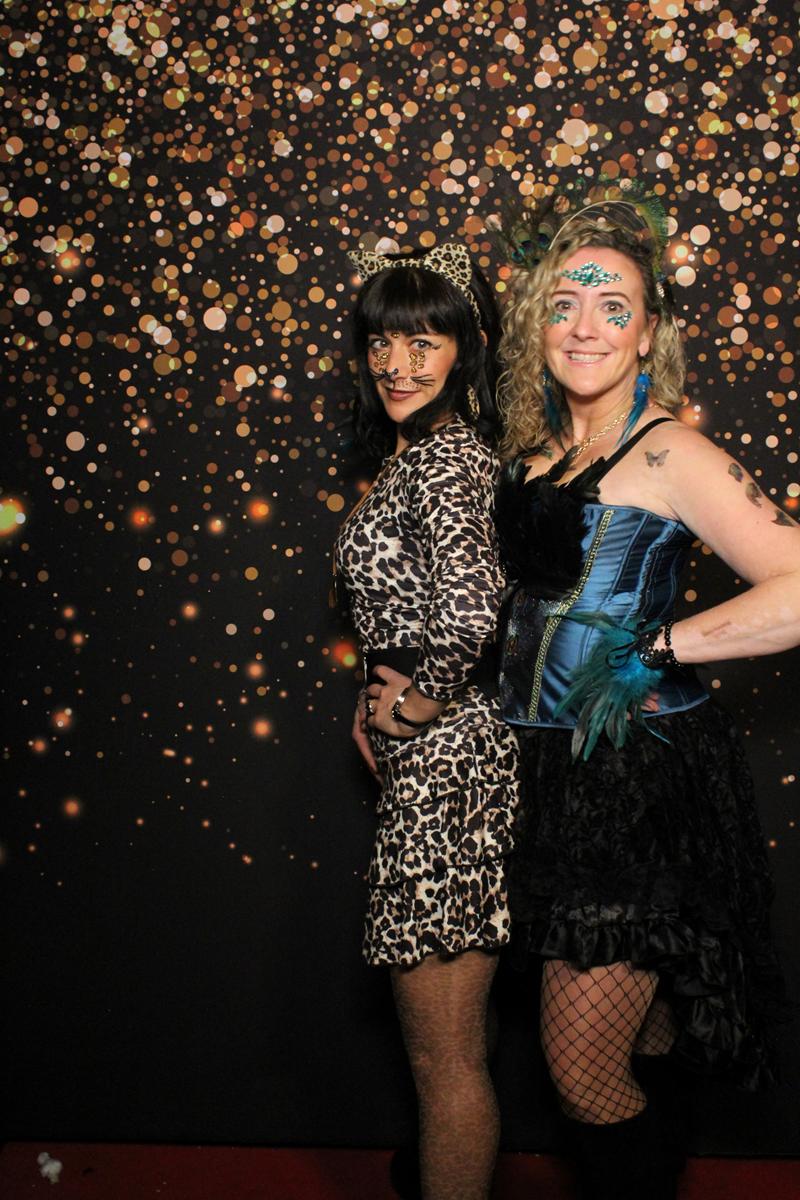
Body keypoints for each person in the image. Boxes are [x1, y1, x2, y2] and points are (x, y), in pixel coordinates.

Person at [492, 184, 797, 1199]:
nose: (584, 326)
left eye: (611, 306)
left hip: (630, 780)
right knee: (642, 1037)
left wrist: (658, 646)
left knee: (581, 1071)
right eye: (564, 303)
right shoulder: (537, 451)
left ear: (647, 331)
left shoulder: (670, 451)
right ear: (537, 322)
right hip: (543, 773)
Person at [334, 243, 519, 1200]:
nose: (396, 364)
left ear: (464, 348)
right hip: (435, 765)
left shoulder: (449, 460)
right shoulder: (418, 456)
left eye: (423, 342)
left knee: (444, 1062)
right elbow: (409, 603)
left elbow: (475, 606)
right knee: (450, 1051)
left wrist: (413, 705)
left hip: (450, 769)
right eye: (381, 341)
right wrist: (376, 698)